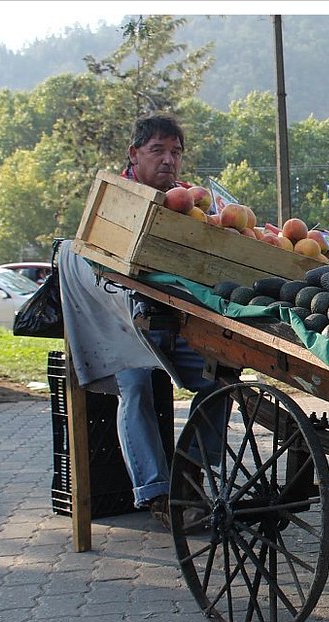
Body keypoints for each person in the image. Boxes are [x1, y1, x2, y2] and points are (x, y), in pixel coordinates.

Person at [116, 113, 226, 530]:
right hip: (123, 326)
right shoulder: (118, 198)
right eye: (157, 150)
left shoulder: (187, 204)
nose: (168, 160)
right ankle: (157, 493)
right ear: (134, 154)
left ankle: (190, 476)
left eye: (175, 153)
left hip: (175, 321)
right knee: (137, 387)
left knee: (218, 381)